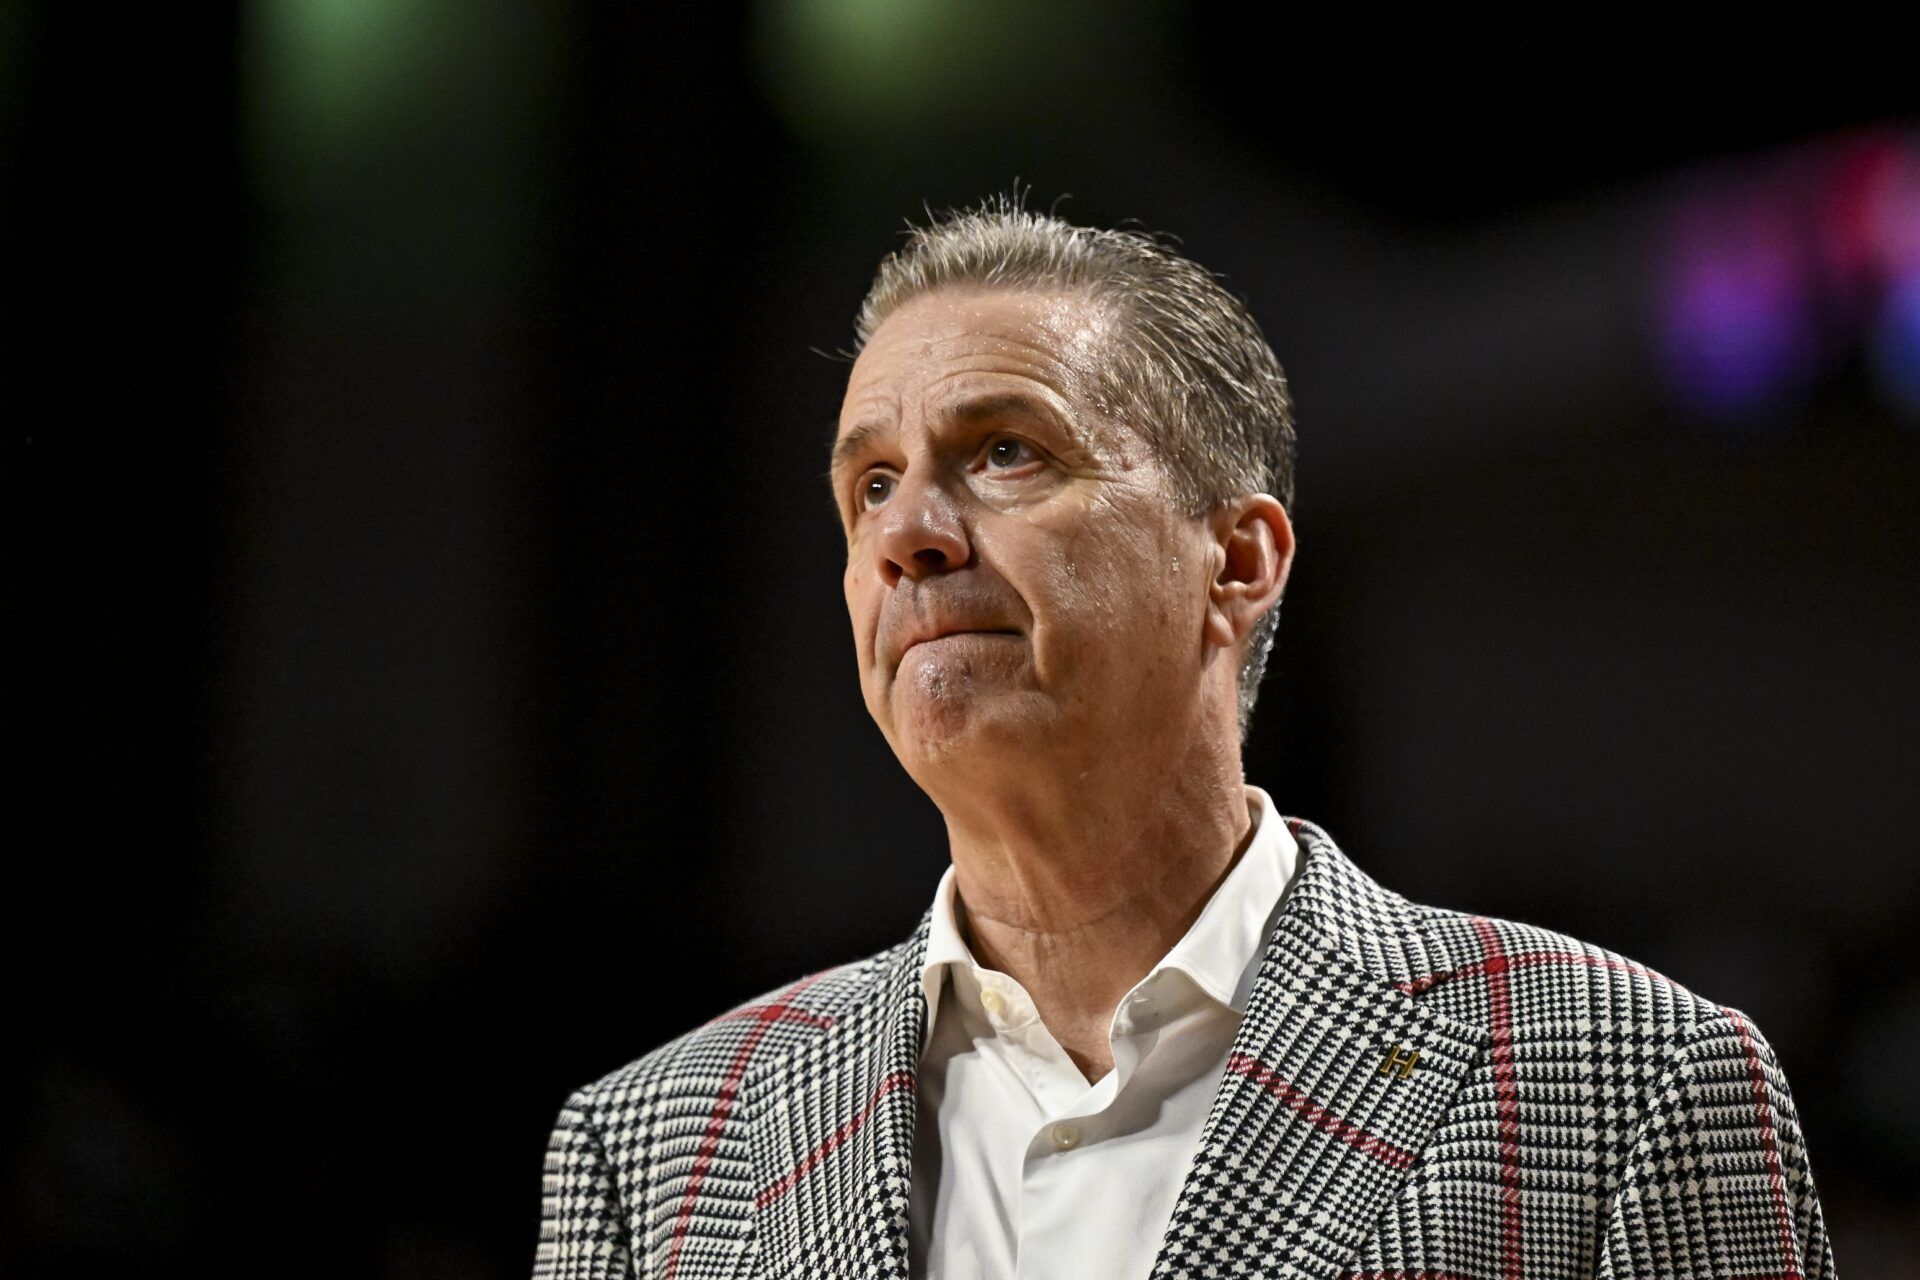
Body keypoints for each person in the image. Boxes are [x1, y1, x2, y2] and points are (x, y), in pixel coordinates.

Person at [533, 197, 1833, 1280]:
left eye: (1005, 451)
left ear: (1238, 561)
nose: (906, 533)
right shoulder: (650, 1153)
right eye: (870, 484)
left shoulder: (1629, 1086)